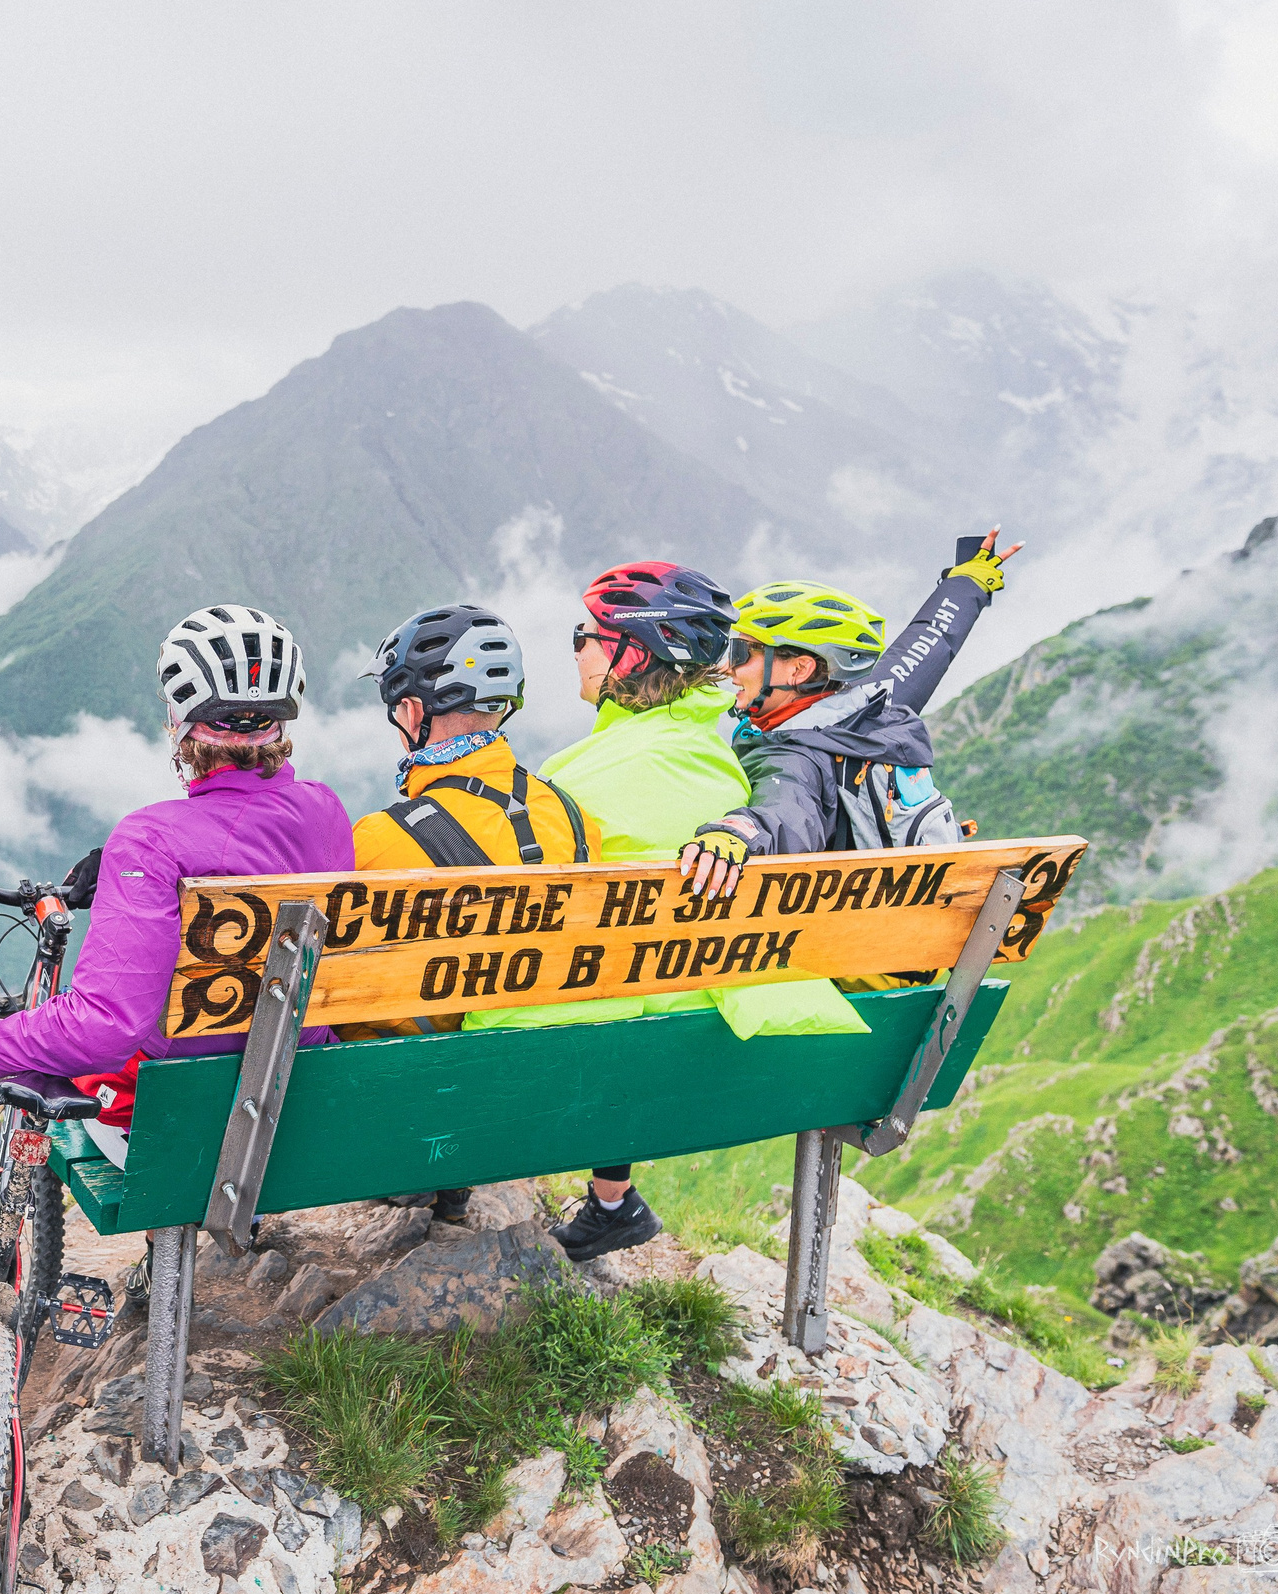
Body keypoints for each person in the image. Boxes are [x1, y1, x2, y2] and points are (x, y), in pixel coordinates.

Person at [460, 562, 862, 1264]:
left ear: (632, 653)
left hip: (575, 1048)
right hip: (692, 1038)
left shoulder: (576, 781)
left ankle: (440, 1184)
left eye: (585, 636)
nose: (577, 650)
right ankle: (613, 1201)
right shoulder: (720, 759)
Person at [0, 604, 353, 1145]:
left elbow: (104, 1026)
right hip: (306, 1093)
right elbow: (248, 841)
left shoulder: (150, 840)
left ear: (181, 719)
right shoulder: (326, 809)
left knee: (54, 1069)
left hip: (187, 1116)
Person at [345, 603, 602, 1223]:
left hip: (438, 1085)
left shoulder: (379, 840)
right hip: (548, 1077)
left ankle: (425, 1161)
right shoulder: (573, 814)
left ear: (411, 712)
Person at [679, 532, 1023, 935]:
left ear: (799, 670)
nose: (728, 669)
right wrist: (968, 582)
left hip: (856, 964)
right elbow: (930, 641)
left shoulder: (794, 756)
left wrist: (735, 835)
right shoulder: (872, 705)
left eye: (742, 653)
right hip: (918, 941)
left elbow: (787, 814)